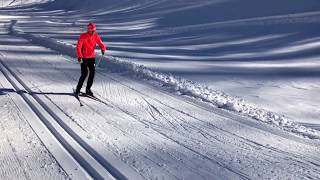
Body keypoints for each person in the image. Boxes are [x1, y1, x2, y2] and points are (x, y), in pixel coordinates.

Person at [75, 22, 106, 96]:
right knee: (84, 73)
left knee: (92, 73)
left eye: (94, 30)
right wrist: (79, 56)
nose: (93, 32)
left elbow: (101, 43)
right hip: (84, 58)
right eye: (92, 30)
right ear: (88, 30)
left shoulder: (96, 36)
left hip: (92, 57)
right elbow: (78, 47)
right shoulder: (83, 36)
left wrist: (103, 48)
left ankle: (88, 89)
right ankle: (78, 89)